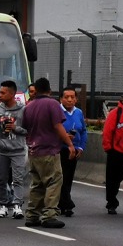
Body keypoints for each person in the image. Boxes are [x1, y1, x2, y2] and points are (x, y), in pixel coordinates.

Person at [21, 78, 75, 228]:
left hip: (33, 150)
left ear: (35, 90)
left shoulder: (29, 106)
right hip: (49, 150)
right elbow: (57, 126)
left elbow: (25, 126)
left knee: (37, 183)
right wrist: (69, 144)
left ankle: (32, 215)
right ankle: (49, 215)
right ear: (50, 91)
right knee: (53, 181)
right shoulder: (52, 104)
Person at [0, 80, 28, 220]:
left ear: (12, 94)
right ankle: (3, 205)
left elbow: (29, 130)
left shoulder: (23, 110)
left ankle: (17, 205)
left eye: (3, 93)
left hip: (18, 150)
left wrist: (15, 128)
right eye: (0, 92)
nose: (0, 95)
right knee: (2, 179)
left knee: (18, 179)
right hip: (1, 150)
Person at [58, 87, 87, 217]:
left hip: (74, 150)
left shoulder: (78, 113)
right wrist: (64, 138)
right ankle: (66, 203)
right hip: (60, 149)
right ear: (61, 99)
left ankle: (64, 203)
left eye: (72, 97)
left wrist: (81, 147)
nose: (69, 100)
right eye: (66, 97)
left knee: (69, 178)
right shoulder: (57, 111)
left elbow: (83, 131)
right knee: (60, 177)